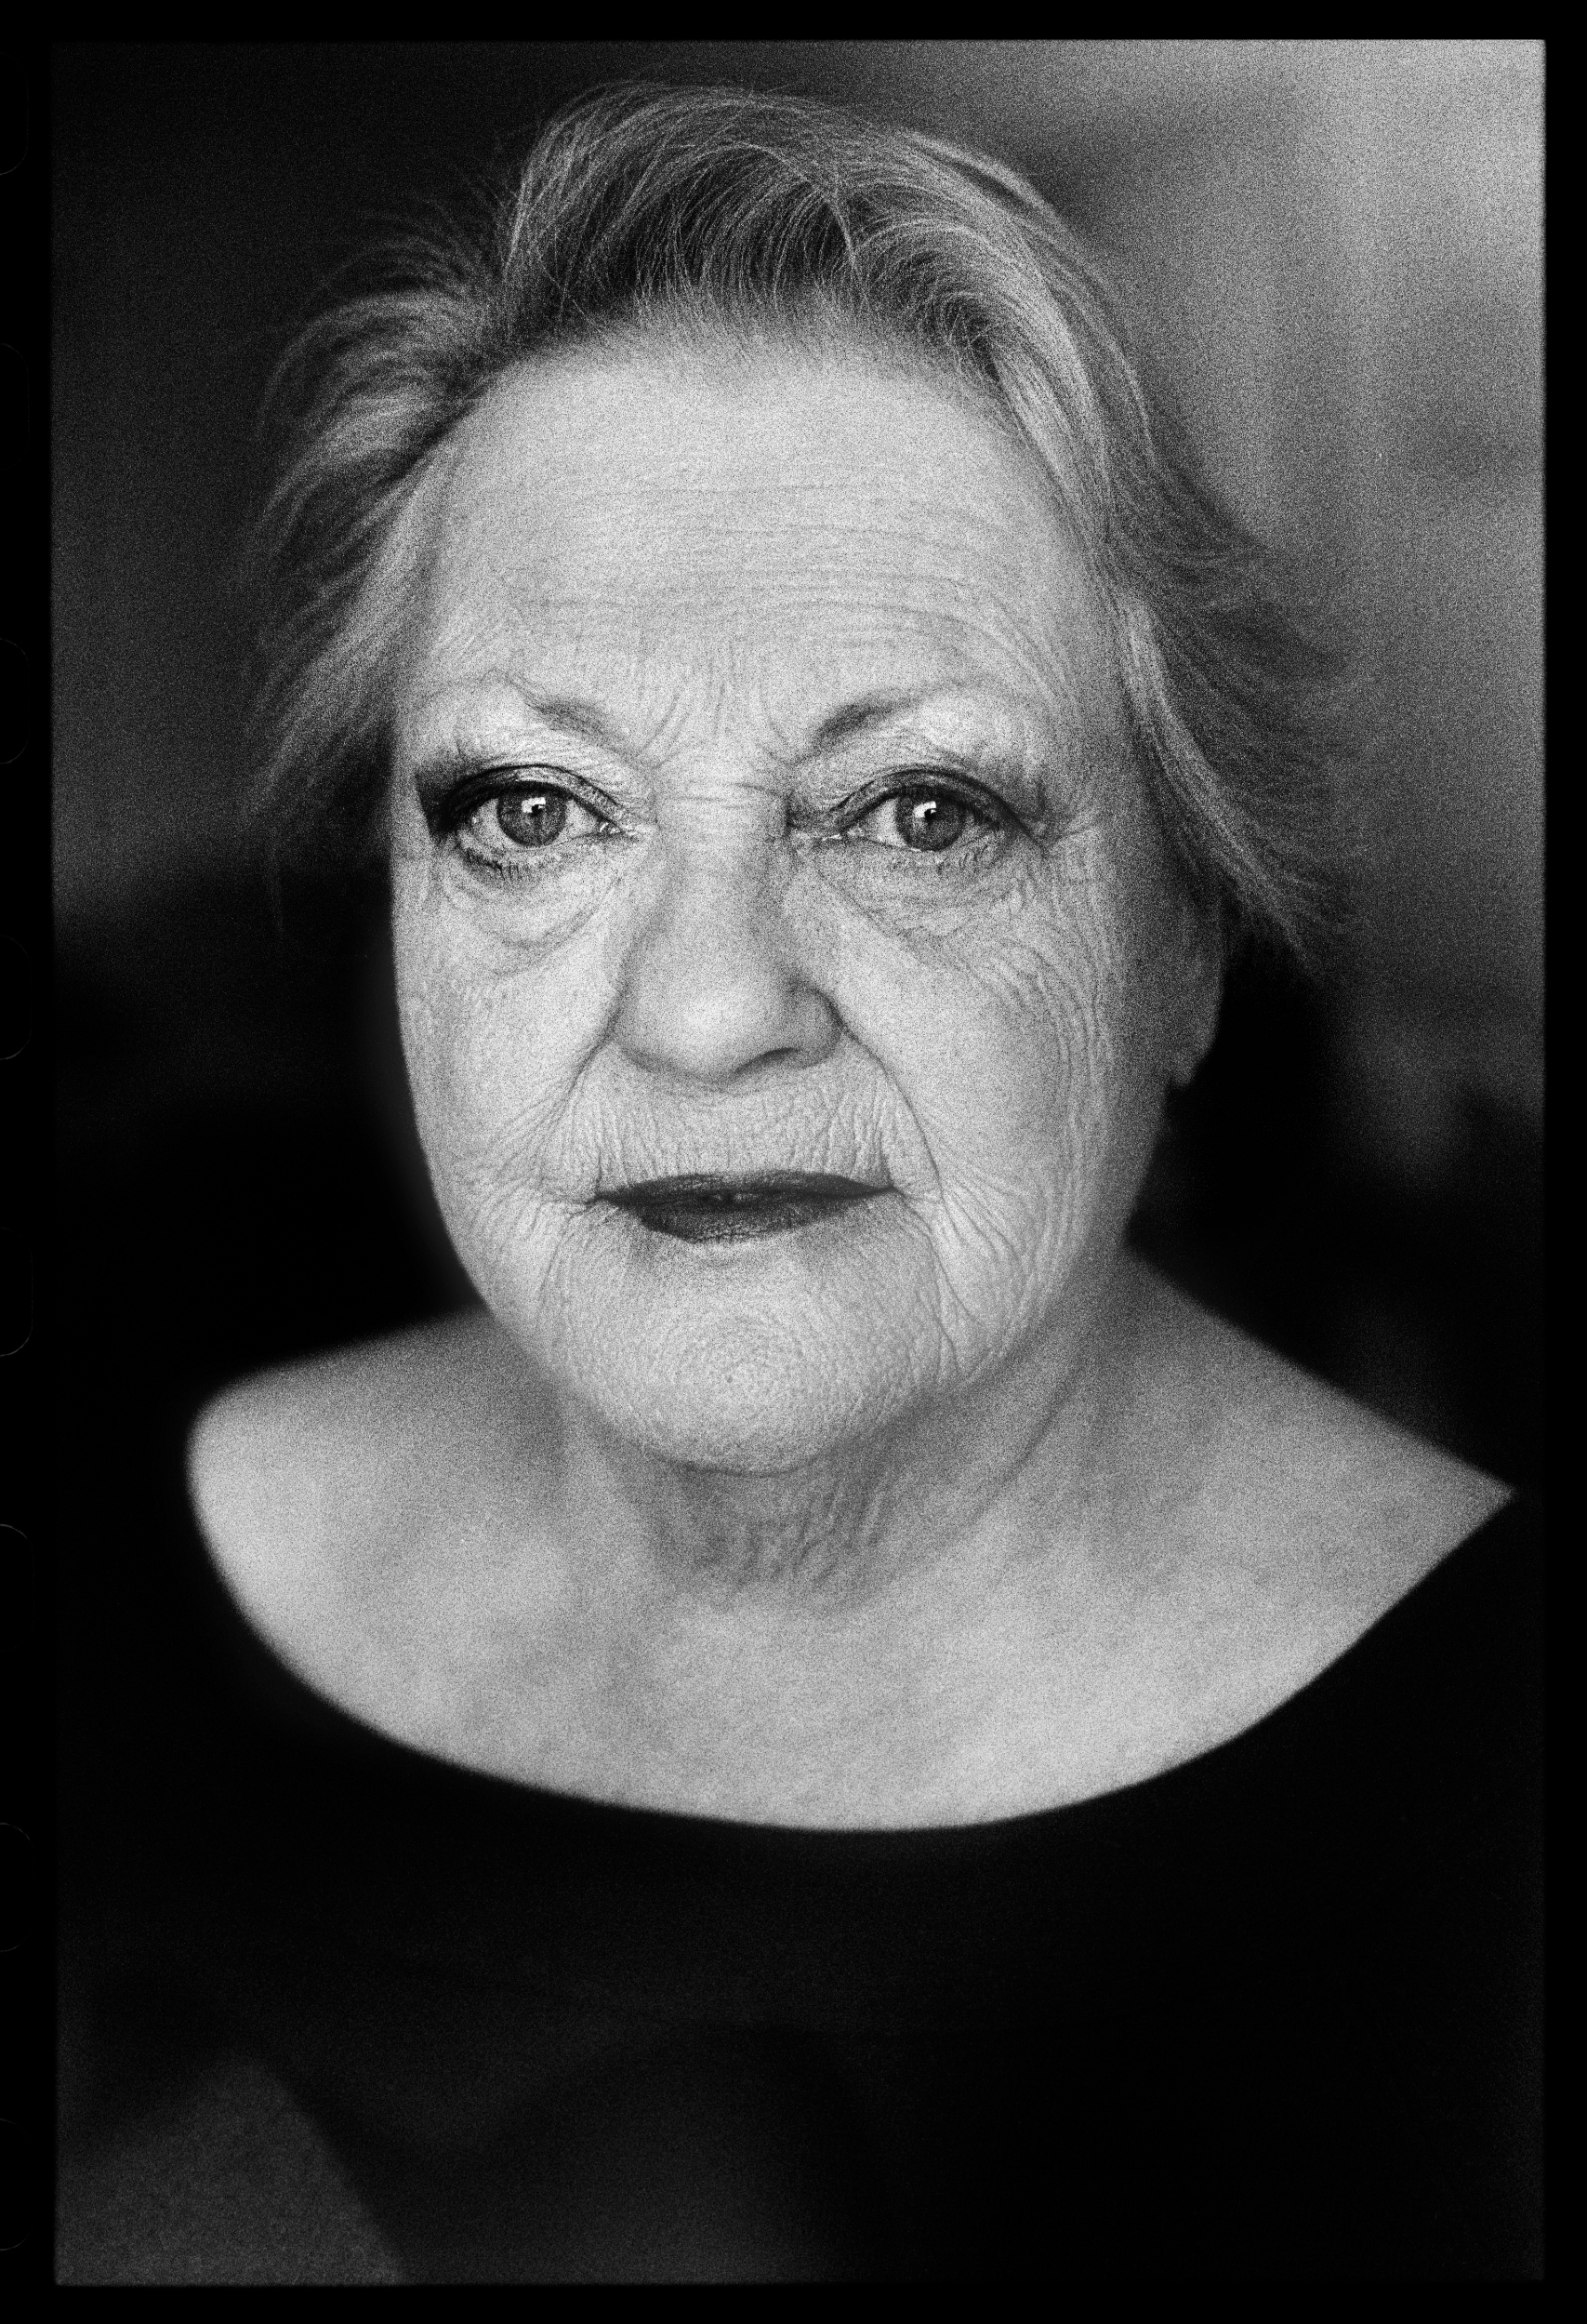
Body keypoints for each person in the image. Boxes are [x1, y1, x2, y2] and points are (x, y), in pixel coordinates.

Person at [58, 84, 1541, 2281]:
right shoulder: (98, 1589)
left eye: (919, 812)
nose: (703, 1005)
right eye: (533, 810)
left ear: (1184, 953)